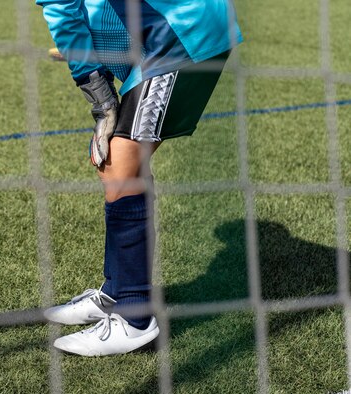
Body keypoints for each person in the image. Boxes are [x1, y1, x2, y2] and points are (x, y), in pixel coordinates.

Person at [36, 0, 242, 356]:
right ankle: (117, 292)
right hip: (169, 32)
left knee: (120, 164)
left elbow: (62, 7)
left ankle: (134, 319)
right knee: (118, 165)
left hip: (178, 35)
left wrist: (97, 91)